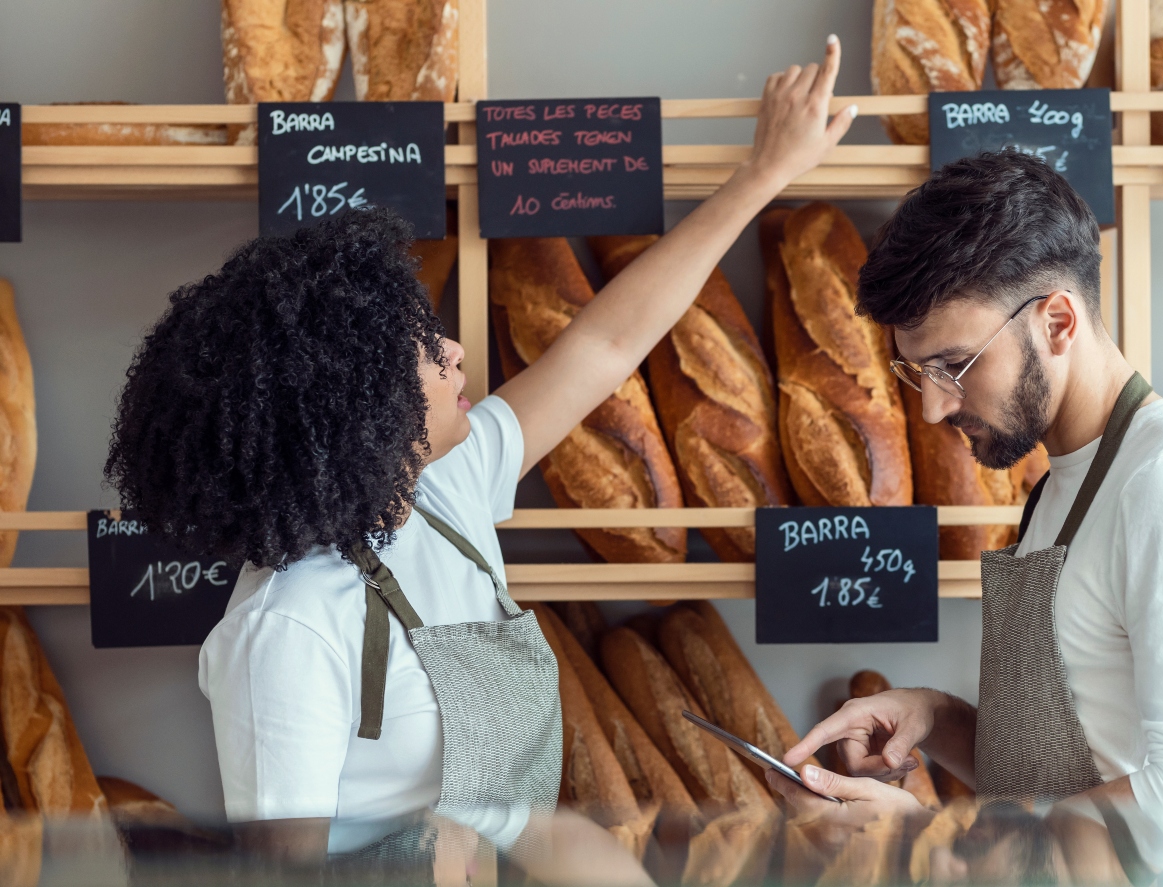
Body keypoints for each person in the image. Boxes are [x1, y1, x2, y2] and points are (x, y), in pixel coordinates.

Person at [103, 37, 856, 873]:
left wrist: (764, 174)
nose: (457, 351)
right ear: (355, 412)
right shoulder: (287, 629)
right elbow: (288, 877)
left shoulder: (440, 491)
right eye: (424, 350)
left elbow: (606, 343)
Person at [769, 151, 1163, 879]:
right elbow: (1072, 770)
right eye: (917, 373)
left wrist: (929, 844)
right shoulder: (1057, 483)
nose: (933, 406)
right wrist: (935, 718)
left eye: (955, 364)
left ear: (1058, 321)